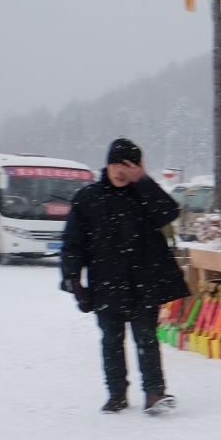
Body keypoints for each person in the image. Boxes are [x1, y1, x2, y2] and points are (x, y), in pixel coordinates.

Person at [60, 138, 189, 414]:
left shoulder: (143, 195)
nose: (122, 171)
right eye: (118, 164)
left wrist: (143, 181)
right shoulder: (88, 198)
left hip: (143, 282)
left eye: (130, 165)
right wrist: (72, 278)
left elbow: (169, 212)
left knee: (146, 339)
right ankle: (116, 393)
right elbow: (73, 242)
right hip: (106, 282)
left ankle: (154, 393)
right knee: (111, 340)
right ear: (107, 164)